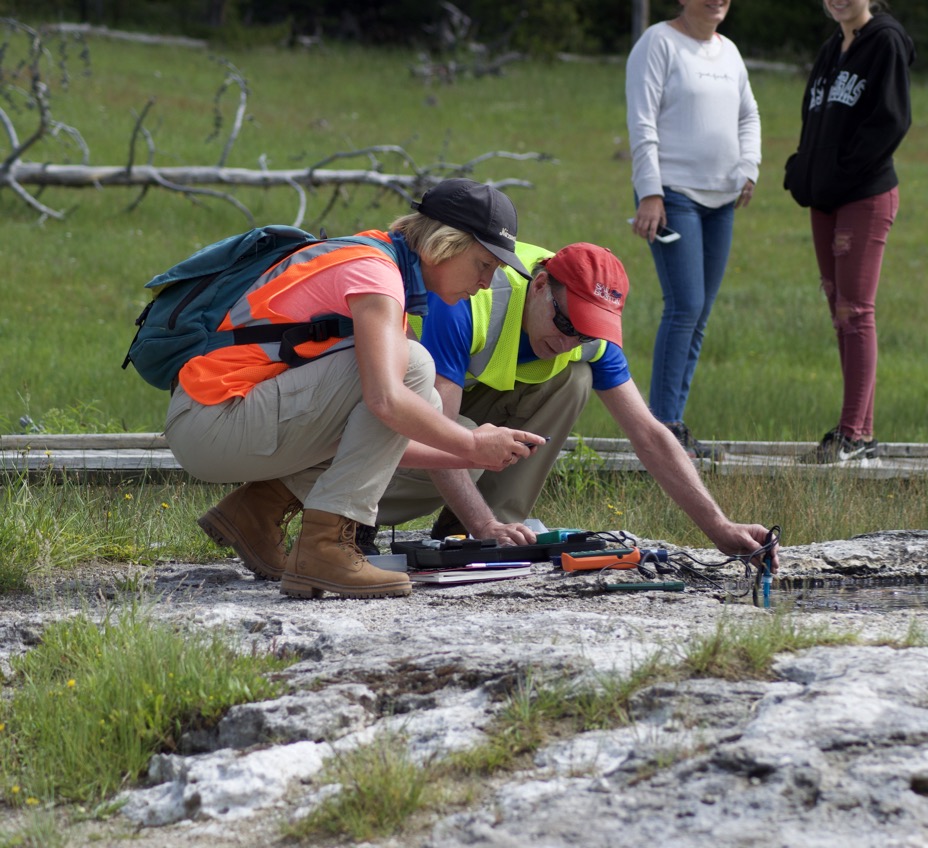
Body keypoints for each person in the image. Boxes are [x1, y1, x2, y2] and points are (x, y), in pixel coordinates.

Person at [170, 178, 545, 600]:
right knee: (414, 367)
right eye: (484, 264)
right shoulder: (375, 272)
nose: (486, 282)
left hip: (216, 422)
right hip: (215, 420)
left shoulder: (381, 268)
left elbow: (376, 443)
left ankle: (254, 516)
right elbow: (386, 399)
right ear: (446, 243)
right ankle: (325, 549)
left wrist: (466, 452)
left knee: (411, 378)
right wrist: (471, 442)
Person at [371, 241, 777, 565]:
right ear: (542, 284)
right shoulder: (472, 297)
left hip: (455, 407)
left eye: (584, 333)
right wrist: (483, 524)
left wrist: (720, 527)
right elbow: (436, 426)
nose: (568, 341)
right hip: (394, 408)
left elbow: (649, 435)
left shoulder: (588, 337)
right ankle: (353, 519)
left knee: (575, 378)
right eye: (565, 323)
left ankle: (488, 532)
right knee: (461, 435)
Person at [625, 0, 761, 460]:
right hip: (673, 194)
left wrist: (749, 166)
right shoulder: (658, 43)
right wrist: (650, 192)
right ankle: (661, 428)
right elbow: (642, 119)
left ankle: (673, 423)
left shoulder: (730, 52)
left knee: (699, 313)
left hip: (722, 200)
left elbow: (749, 115)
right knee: (684, 305)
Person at [783, 0, 914, 463]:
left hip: (864, 195)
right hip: (826, 199)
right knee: (840, 311)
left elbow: (892, 121)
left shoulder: (886, 41)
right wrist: (804, 171)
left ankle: (853, 435)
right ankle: (861, 434)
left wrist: (838, 173)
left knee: (856, 311)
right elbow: (813, 120)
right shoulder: (830, 50)